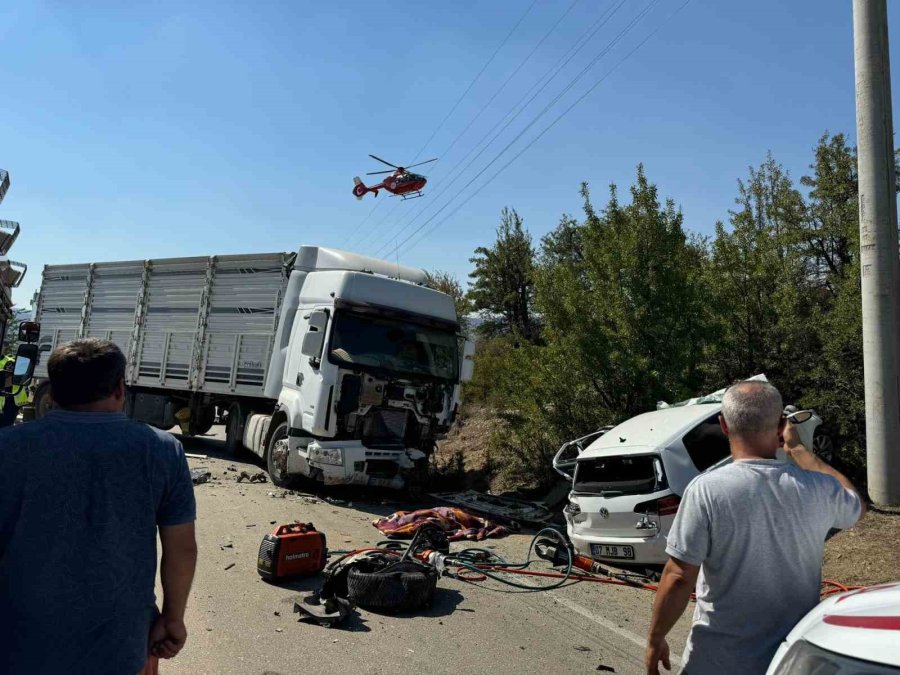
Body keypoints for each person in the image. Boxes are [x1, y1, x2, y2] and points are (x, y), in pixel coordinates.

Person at [0, 338, 198, 674]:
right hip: (121, 646)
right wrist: (172, 618)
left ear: (53, 393)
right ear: (120, 389)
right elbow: (182, 548)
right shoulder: (162, 450)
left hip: (19, 645)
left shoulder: (8, 448)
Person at [645, 380, 865, 675]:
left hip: (717, 662)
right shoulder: (819, 488)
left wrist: (655, 639)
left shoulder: (706, 490)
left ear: (724, 425)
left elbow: (679, 577)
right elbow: (856, 505)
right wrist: (799, 449)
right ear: (782, 426)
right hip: (787, 662)